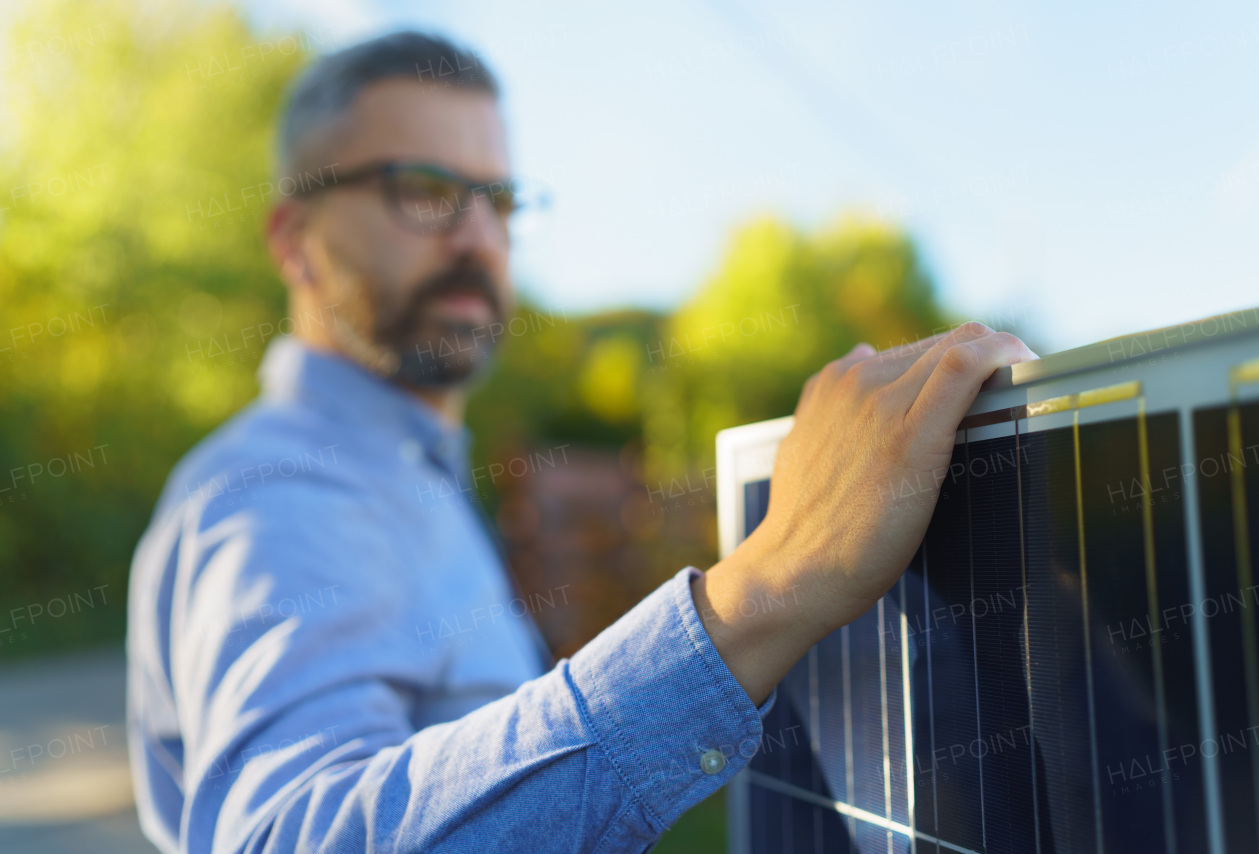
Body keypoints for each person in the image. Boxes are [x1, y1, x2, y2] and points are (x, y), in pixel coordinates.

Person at [125, 30, 1037, 854]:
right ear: (296, 241)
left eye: (500, 199)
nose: (479, 234)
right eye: (425, 191)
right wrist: (764, 591)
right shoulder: (285, 492)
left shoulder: (410, 478)